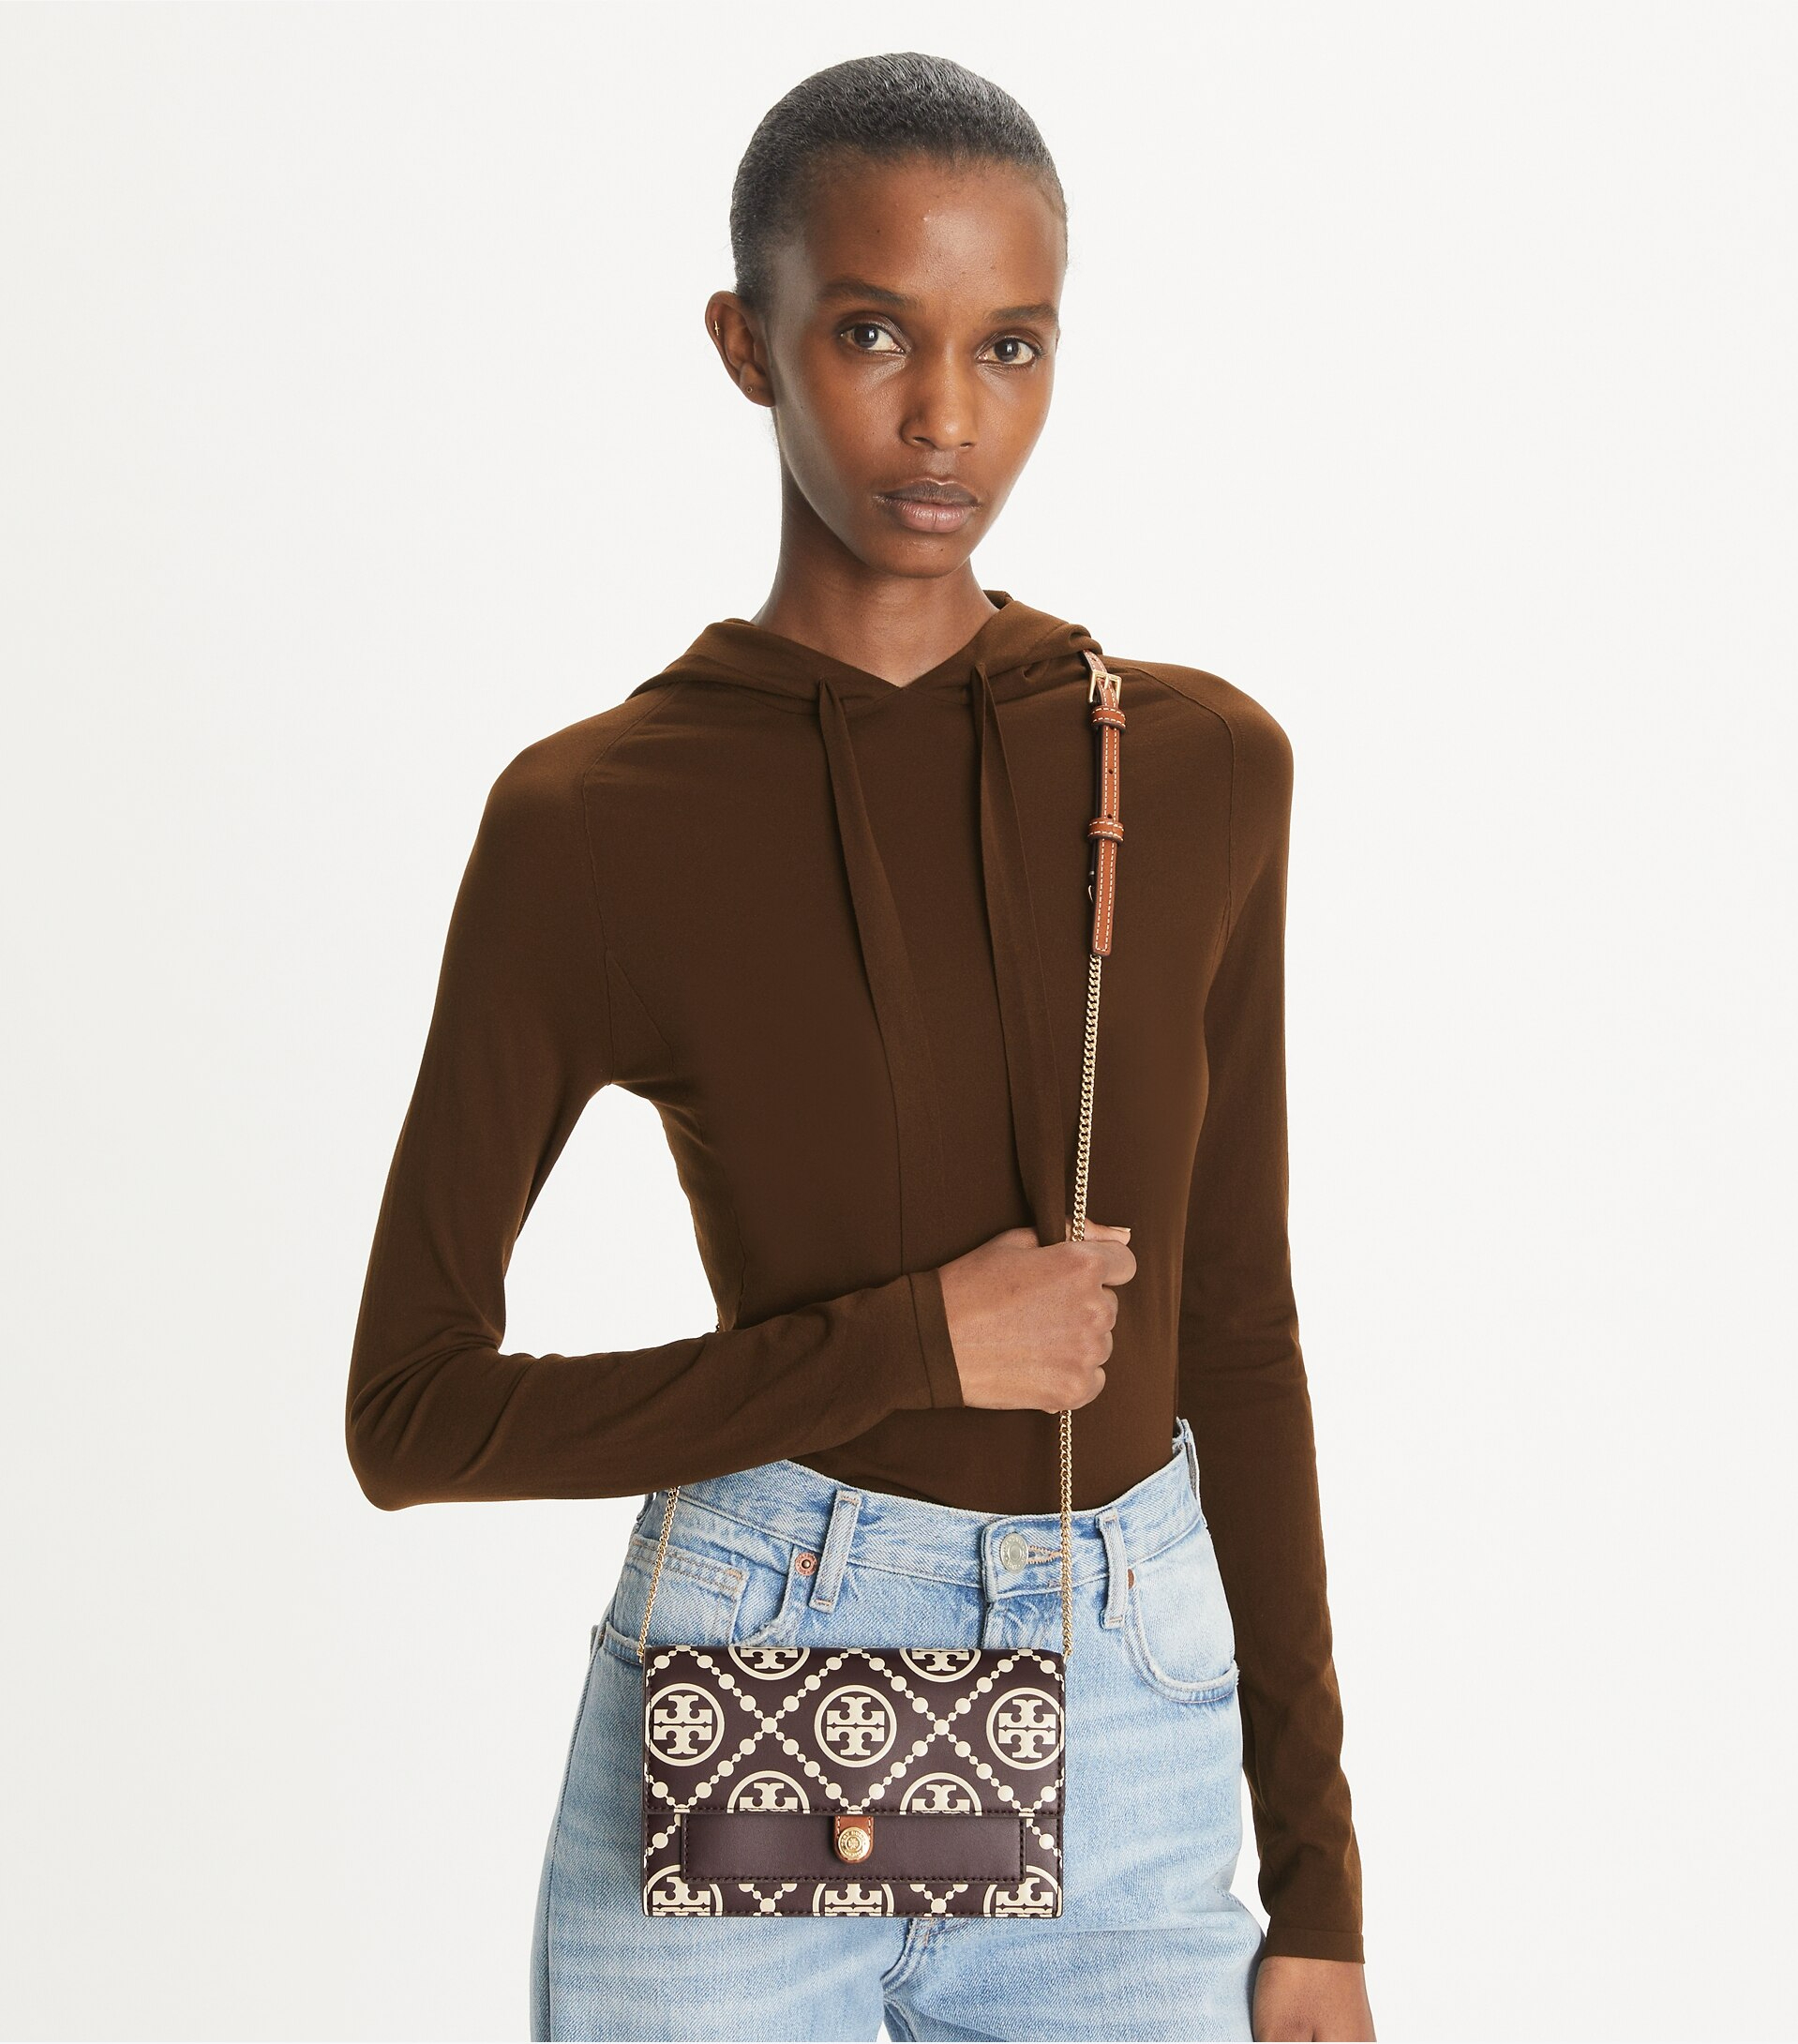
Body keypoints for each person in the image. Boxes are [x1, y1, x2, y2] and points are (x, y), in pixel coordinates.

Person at [345, 50, 1374, 2044]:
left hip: (1132, 1724)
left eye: (1010, 347)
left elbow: (1236, 1333)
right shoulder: (595, 822)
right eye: (873, 332)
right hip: (754, 1677)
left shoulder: (1194, 768)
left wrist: (1318, 1891)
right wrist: (909, 1344)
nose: (944, 418)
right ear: (747, 344)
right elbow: (412, 1413)